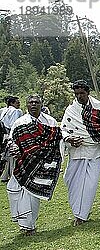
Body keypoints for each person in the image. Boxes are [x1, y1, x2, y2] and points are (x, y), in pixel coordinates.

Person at [62, 80, 100, 226]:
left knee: (90, 185)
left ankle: (81, 214)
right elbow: (64, 129)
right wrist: (69, 138)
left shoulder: (98, 106)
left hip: (93, 152)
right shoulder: (71, 110)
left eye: (82, 93)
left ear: (88, 93)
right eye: (77, 94)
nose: (79, 96)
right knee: (72, 182)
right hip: (77, 152)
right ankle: (77, 211)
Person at [6, 95, 62, 235]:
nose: (33, 105)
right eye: (31, 102)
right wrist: (13, 147)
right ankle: (24, 223)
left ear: (41, 104)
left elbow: (57, 140)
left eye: (36, 102)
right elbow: (12, 140)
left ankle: (29, 226)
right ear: (26, 105)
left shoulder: (50, 122)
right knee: (13, 189)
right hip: (24, 164)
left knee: (32, 195)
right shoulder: (19, 123)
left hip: (42, 165)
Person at [1, 96, 23, 182]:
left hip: (3, 135)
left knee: (5, 155)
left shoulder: (3, 110)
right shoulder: (16, 111)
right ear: (12, 103)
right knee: (13, 155)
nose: (19, 104)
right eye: (17, 102)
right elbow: (14, 124)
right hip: (11, 134)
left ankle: (4, 175)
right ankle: (12, 174)